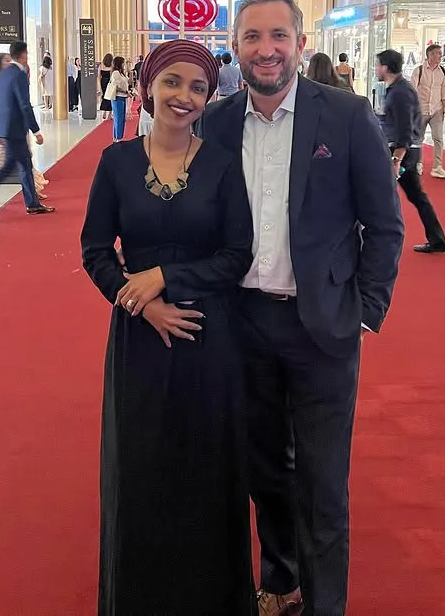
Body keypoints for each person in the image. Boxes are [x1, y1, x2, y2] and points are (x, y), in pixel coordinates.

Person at [201, 0, 404, 616]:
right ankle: (280, 577)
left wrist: (364, 309)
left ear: (300, 44)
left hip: (322, 326)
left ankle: (326, 606)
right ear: (235, 47)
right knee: (264, 469)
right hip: (244, 325)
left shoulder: (345, 118)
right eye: (253, 38)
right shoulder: (217, 121)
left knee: (322, 481)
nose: (266, 50)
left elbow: (385, 224)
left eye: (278, 36)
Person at [80, 40, 256, 616]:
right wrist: (141, 302)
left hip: (211, 337)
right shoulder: (117, 162)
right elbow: (95, 251)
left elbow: (237, 256)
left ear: (209, 98)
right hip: (138, 342)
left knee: (206, 468)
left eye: (198, 87)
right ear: (147, 88)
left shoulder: (222, 165)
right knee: (142, 467)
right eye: (172, 83)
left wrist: (164, 276)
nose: (183, 96)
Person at [0, 40, 55, 220]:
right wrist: (36, 131)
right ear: (22, 55)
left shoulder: (2, 76)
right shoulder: (18, 75)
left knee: (24, 165)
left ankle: (32, 203)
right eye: (26, 54)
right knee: (10, 167)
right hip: (15, 130)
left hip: (5, 129)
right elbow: (24, 105)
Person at [377, 49, 445, 255]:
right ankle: (436, 239)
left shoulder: (400, 92)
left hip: (403, 153)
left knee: (409, 195)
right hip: (403, 150)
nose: (376, 69)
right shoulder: (397, 90)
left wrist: (396, 159)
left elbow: (406, 129)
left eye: (378, 65)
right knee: (414, 196)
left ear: (386, 67)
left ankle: (431, 239)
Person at [0, 52, 49, 207]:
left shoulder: (13, 77)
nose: (9, 63)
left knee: (25, 161)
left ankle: (34, 192)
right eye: (6, 60)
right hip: (4, 131)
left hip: (17, 128)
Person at [413, 44, 445, 179]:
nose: (439, 56)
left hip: (437, 109)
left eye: (440, 54)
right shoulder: (419, 70)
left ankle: (438, 167)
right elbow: (412, 91)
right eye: (436, 53)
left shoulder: (443, 72)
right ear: (429, 55)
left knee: (438, 138)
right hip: (421, 110)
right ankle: (418, 163)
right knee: (418, 138)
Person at [107, 56, 131, 142]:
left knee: (120, 119)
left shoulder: (121, 73)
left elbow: (129, 81)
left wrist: (129, 70)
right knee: (119, 119)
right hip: (117, 97)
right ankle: (118, 138)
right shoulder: (115, 73)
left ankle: (116, 137)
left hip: (123, 97)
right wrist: (125, 92)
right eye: (123, 63)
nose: (124, 64)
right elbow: (115, 87)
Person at [99, 53, 114, 121]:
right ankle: (109, 115)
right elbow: (111, 77)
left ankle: (104, 112)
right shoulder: (111, 67)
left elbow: (98, 77)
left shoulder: (101, 66)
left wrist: (99, 85)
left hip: (103, 82)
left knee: (104, 96)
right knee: (110, 97)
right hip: (109, 83)